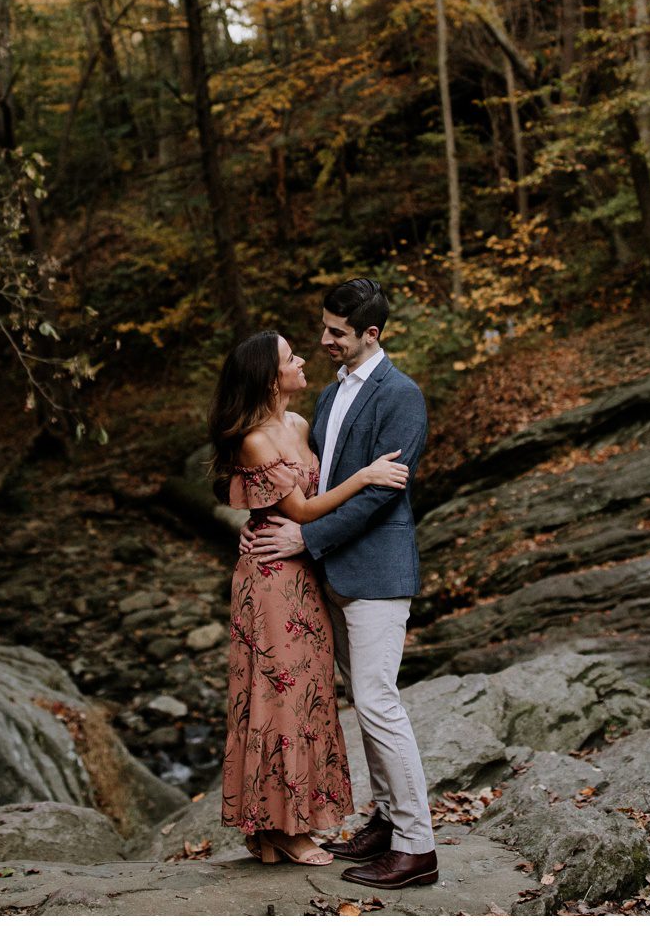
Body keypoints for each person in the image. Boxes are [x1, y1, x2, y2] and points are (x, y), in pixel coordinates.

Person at [241, 277, 438, 890]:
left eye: (337, 332)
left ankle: (417, 846)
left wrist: (305, 540)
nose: (323, 339)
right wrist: (265, 526)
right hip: (331, 576)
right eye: (323, 328)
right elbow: (308, 486)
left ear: (370, 335)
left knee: (379, 702)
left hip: (377, 573)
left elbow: (382, 493)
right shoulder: (327, 399)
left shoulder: (401, 396)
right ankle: (384, 820)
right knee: (363, 704)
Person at [211, 328, 412, 867]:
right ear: (269, 376)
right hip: (272, 582)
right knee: (278, 701)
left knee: (309, 698)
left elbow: (305, 500)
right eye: (290, 357)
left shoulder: (300, 424)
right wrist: (369, 476)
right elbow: (300, 511)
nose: (303, 359)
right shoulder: (255, 437)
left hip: (305, 578)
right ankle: (283, 828)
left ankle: (281, 828)